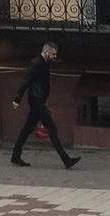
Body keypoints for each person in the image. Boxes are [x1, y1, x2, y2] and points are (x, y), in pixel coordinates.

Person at [10, 41, 79, 169]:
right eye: (53, 54)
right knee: (52, 128)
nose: (55, 57)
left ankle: (15, 156)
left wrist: (45, 99)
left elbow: (43, 84)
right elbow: (26, 81)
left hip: (39, 101)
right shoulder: (36, 63)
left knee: (27, 129)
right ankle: (66, 160)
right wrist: (17, 99)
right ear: (46, 52)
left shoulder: (45, 63)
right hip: (37, 102)